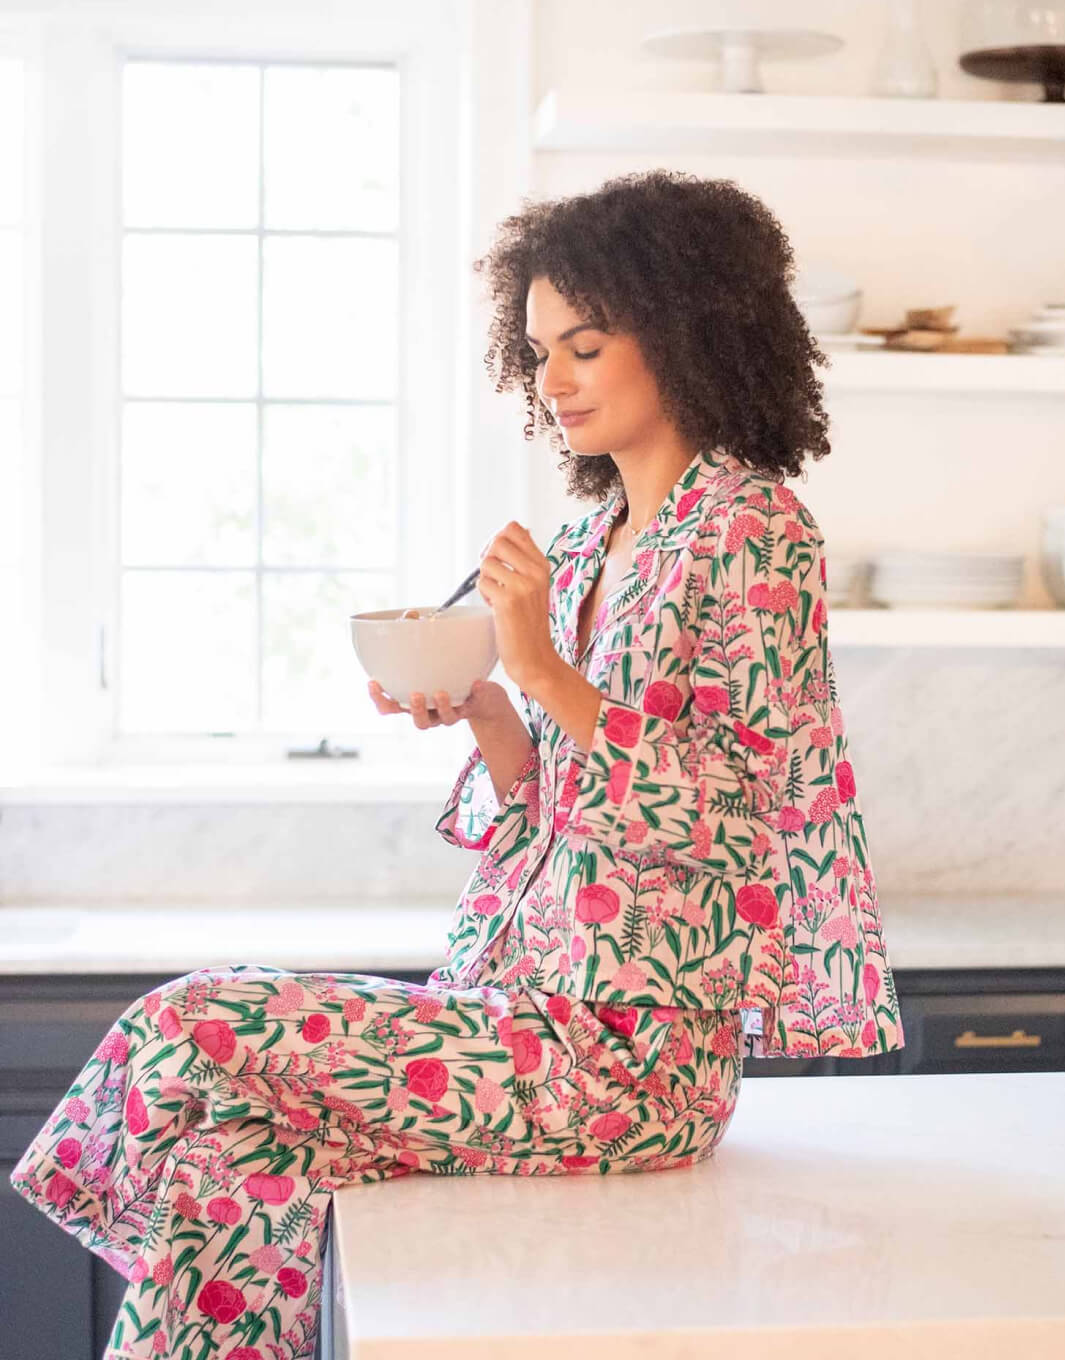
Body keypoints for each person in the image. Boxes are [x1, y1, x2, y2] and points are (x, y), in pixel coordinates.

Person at [9, 169, 904, 1360]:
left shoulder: (752, 531)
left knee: (198, 1024)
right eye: (540, 352)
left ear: (687, 332)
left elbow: (736, 827)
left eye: (586, 344)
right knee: (239, 1147)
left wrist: (540, 669)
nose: (557, 380)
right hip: (515, 1007)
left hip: (629, 1059)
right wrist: (490, 708)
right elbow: (563, 809)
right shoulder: (589, 540)